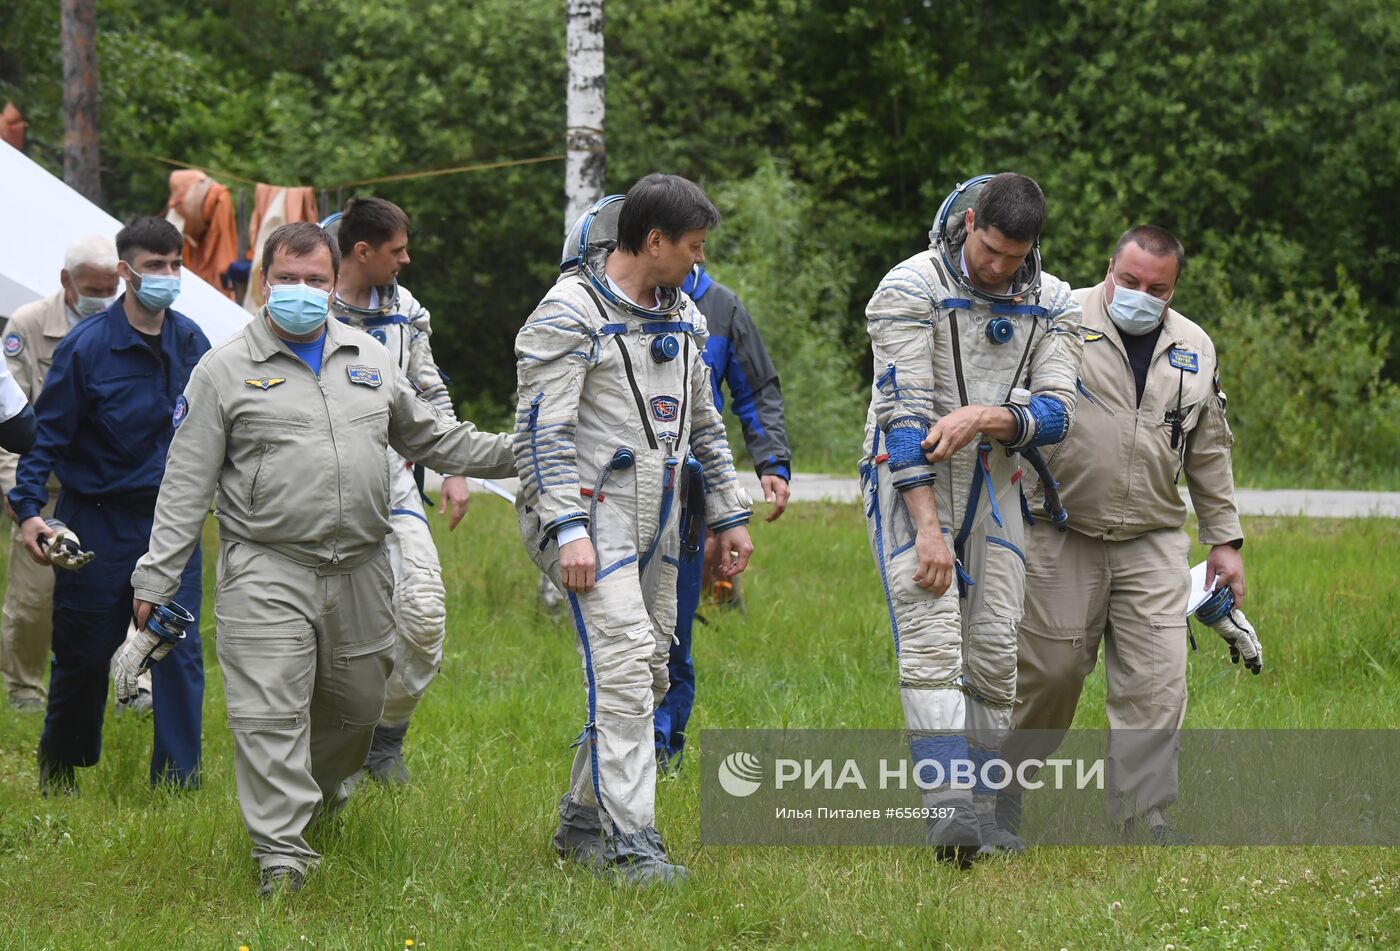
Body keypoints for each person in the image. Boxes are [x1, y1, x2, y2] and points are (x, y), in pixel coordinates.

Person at [127, 222, 516, 898]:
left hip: (363, 566)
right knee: (269, 712)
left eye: (314, 279)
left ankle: (319, 795)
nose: (300, 291)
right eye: (288, 278)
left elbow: (436, 438)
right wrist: (155, 579)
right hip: (267, 565)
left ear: (335, 285)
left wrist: (526, 450)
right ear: (265, 282)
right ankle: (282, 854)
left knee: (357, 711)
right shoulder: (222, 369)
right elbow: (184, 484)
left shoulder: (368, 358)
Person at [516, 174, 754, 886]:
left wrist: (728, 513)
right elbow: (540, 435)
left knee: (649, 668)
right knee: (622, 664)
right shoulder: (568, 315)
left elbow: (703, 423)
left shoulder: (684, 316)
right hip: (590, 513)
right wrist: (567, 527)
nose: (698, 263)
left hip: (660, 515)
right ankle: (632, 842)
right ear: (652, 241)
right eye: (691, 247)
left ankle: (583, 821)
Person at [997, 225, 1257, 844]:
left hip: (1153, 537)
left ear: (1173, 289)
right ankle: (999, 791)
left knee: (1155, 683)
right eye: (1130, 281)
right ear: (1109, 269)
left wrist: (1224, 540)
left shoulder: (1193, 345)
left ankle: (1143, 815)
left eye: (1156, 288)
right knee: (1051, 672)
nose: (1140, 294)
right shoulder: (1056, 319)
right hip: (1061, 528)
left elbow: (1209, 449)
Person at [859, 173, 1082, 865]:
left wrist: (986, 416)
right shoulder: (909, 287)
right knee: (931, 640)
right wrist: (926, 527)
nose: (997, 267)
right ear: (971, 221)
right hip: (910, 483)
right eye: (989, 250)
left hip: (996, 481)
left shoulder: (1055, 303)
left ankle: (984, 812)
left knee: (992, 656)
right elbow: (902, 419)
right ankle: (950, 815)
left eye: (1014, 258)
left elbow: (1058, 415)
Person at [8, 218, 208, 794]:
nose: (169, 276)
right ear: (127, 271)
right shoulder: (86, 348)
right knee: (85, 650)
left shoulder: (192, 341)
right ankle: (61, 768)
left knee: (176, 648)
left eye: (175, 265)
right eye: (156, 266)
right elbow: (45, 438)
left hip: (170, 523)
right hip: (97, 516)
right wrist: (28, 513)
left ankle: (178, 783)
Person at [323, 197, 469, 785]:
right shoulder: (307, 302)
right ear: (362, 252)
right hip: (320, 486)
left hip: (392, 479)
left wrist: (455, 465)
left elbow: (429, 389)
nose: (406, 260)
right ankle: (331, 754)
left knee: (424, 615)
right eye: (397, 250)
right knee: (334, 631)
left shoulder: (405, 311)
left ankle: (386, 740)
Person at [653, 263, 790, 766]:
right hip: (626, 491)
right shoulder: (610, 298)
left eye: (700, 244)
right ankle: (619, 749)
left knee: (676, 631)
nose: (694, 254)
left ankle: (664, 748)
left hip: (693, 481)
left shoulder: (721, 306)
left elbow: (754, 388)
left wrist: (771, 460)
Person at [1, 236, 131, 714]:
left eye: (109, 287)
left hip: (110, 487)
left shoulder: (131, 323)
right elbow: (8, 415)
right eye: (92, 288)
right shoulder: (29, 325)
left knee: (121, 592)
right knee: (35, 599)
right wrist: (20, 498)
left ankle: (129, 685)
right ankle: (24, 689)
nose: (103, 296)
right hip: (47, 485)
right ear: (65, 281)